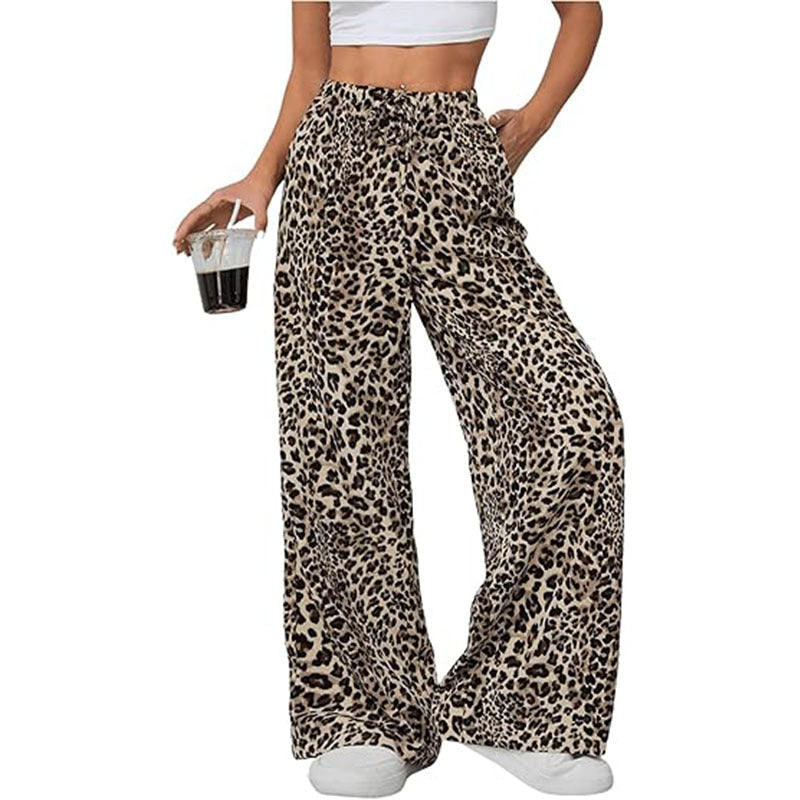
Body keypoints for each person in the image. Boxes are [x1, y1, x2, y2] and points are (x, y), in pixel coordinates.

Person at [174, 1, 623, 796]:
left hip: (457, 156)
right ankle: (368, 715)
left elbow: (580, 13)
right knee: (340, 446)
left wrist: (532, 122)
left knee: (574, 419)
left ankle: (521, 708)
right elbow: (310, 67)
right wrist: (260, 177)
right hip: (336, 160)